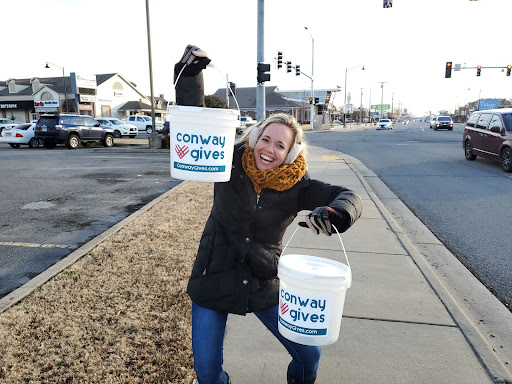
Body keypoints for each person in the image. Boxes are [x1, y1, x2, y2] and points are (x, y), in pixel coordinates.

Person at [173, 46, 363, 384]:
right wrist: (191, 73)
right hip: (213, 275)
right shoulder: (228, 162)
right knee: (206, 373)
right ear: (256, 136)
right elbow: (198, 121)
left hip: (262, 282)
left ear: (290, 153)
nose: (269, 149)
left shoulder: (298, 185)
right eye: (266, 139)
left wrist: (336, 213)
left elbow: (348, 197)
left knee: (309, 356)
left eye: (280, 146)